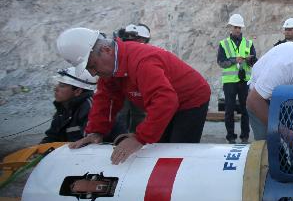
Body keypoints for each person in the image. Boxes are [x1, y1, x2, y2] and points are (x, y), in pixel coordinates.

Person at [56, 27, 211, 164]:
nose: (93, 73)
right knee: (158, 146)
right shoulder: (111, 69)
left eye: (92, 65)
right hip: (166, 98)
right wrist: (97, 132)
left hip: (191, 98)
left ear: (106, 50)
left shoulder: (142, 61)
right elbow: (106, 99)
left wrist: (139, 138)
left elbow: (165, 101)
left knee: (177, 152)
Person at [217, 14, 257, 144]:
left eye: (239, 27)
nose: (238, 30)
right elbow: (221, 62)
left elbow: (254, 63)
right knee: (229, 109)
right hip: (229, 82)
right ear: (231, 27)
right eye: (235, 27)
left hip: (244, 80)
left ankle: (245, 136)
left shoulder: (248, 43)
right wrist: (235, 60)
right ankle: (231, 137)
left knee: (246, 109)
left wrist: (250, 59)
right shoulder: (224, 44)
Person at [40, 67, 98, 143]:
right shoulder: (64, 107)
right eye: (58, 84)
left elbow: (90, 142)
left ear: (77, 91)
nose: (56, 88)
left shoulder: (90, 108)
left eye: (62, 85)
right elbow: (52, 136)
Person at [115, 23, 152, 133]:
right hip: (125, 86)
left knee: (136, 115)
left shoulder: (117, 47)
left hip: (134, 86)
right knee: (122, 115)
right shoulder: (120, 49)